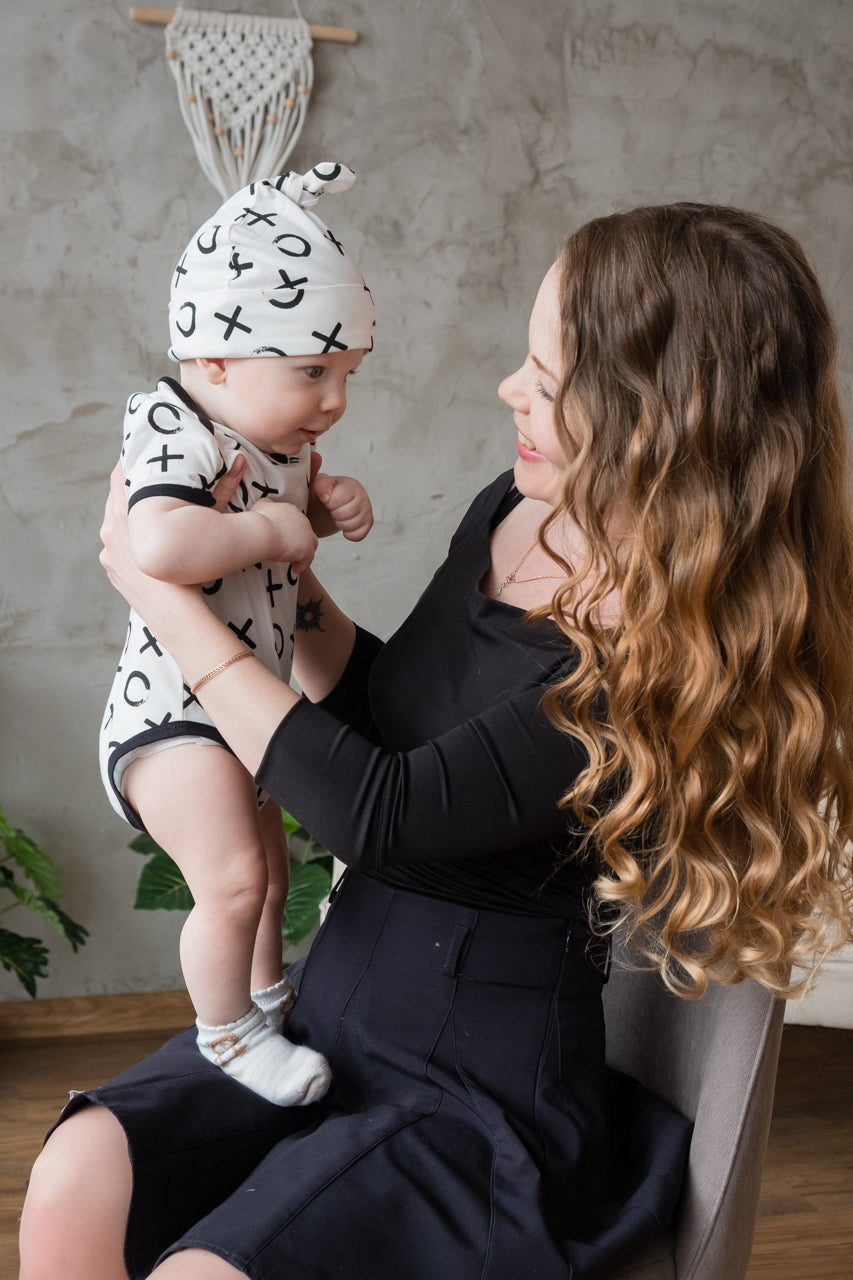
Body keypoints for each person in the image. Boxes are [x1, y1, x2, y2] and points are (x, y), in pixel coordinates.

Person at [20, 202, 853, 1280]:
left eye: (549, 382)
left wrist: (167, 595)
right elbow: (397, 722)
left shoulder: (661, 649)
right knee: (77, 1174)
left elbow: (383, 811)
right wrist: (271, 576)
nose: (511, 389)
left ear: (662, 421)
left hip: (477, 1084)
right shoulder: (518, 505)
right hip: (332, 1010)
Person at [98, 162, 375, 1106]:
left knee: (266, 862)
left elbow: (282, 533)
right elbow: (162, 541)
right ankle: (226, 1036)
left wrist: (321, 507)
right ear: (214, 358)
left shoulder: (273, 442)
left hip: (239, 704)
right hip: (170, 714)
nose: (332, 398)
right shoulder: (175, 425)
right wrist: (268, 528)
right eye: (311, 372)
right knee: (226, 879)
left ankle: (263, 998)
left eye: (344, 374)